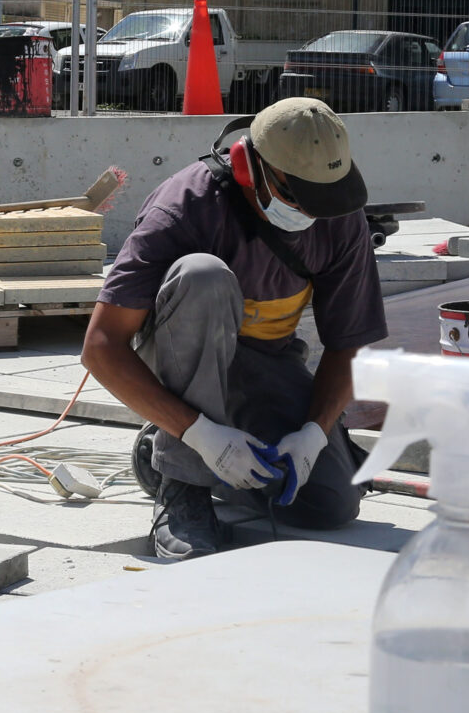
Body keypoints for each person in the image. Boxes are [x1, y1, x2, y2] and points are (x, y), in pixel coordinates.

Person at [81, 98, 386, 560]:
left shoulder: (336, 215)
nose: (312, 215)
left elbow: (350, 343)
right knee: (202, 275)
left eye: (322, 200)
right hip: (181, 355)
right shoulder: (185, 208)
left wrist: (313, 434)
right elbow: (101, 347)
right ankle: (181, 485)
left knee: (329, 503)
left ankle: (165, 455)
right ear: (248, 167)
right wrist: (199, 434)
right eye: (297, 197)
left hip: (266, 362)